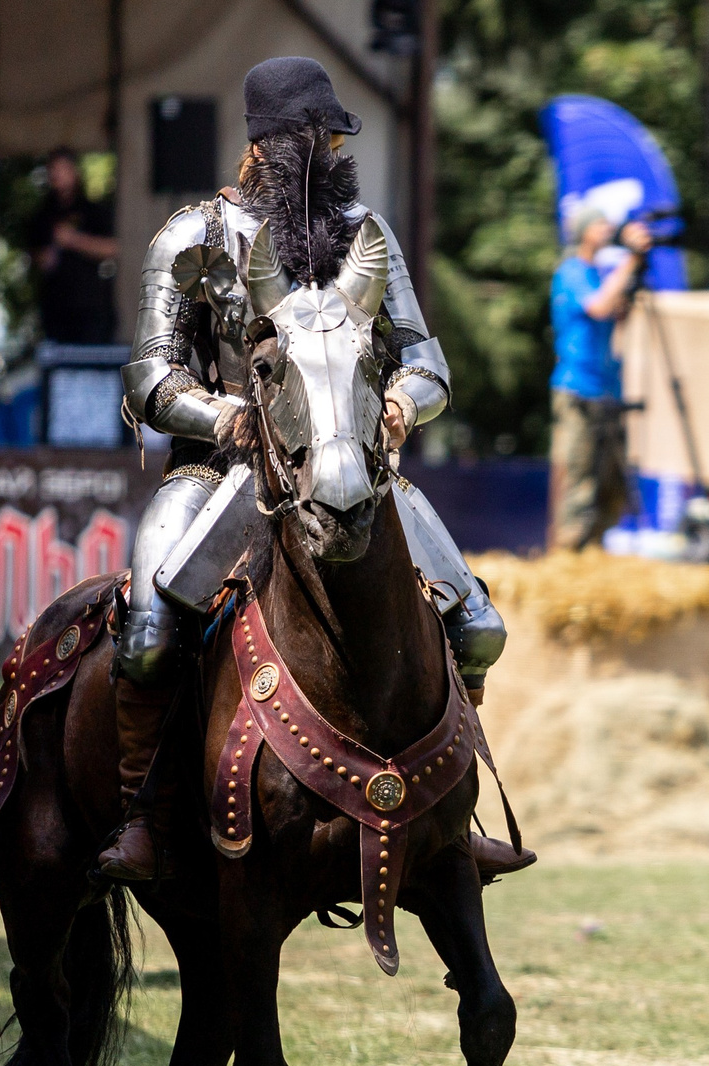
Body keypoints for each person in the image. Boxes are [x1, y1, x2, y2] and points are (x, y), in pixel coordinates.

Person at [105, 55, 509, 883]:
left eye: (330, 138)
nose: (324, 152)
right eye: (310, 137)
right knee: (149, 636)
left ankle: (447, 820)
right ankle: (146, 819)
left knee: (476, 626)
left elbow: (424, 358)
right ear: (266, 144)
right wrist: (226, 415)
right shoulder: (192, 238)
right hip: (217, 472)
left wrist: (402, 403)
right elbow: (149, 378)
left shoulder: (365, 232)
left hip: (355, 470)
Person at [547, 195, 652, 551]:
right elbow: (600, 306)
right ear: (583, 233)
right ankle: (570, 554)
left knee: (609, 485)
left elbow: (615, 312)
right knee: (580, 482)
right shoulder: (572, 271)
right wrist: (632, 260)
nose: (607, 229)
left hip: (606, 390)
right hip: (578, 391)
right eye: (599, 224)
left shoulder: (595, 274)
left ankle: (594, 549)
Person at [25, 149, 122, 346]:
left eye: (62, 169)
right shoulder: (42, 215)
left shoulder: (92, 211)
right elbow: (36, 258)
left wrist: (74, 240)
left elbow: (112, 248)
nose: (57, 175)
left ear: (74, 171)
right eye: (53, 170)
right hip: (56, 308)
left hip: (91, 307)